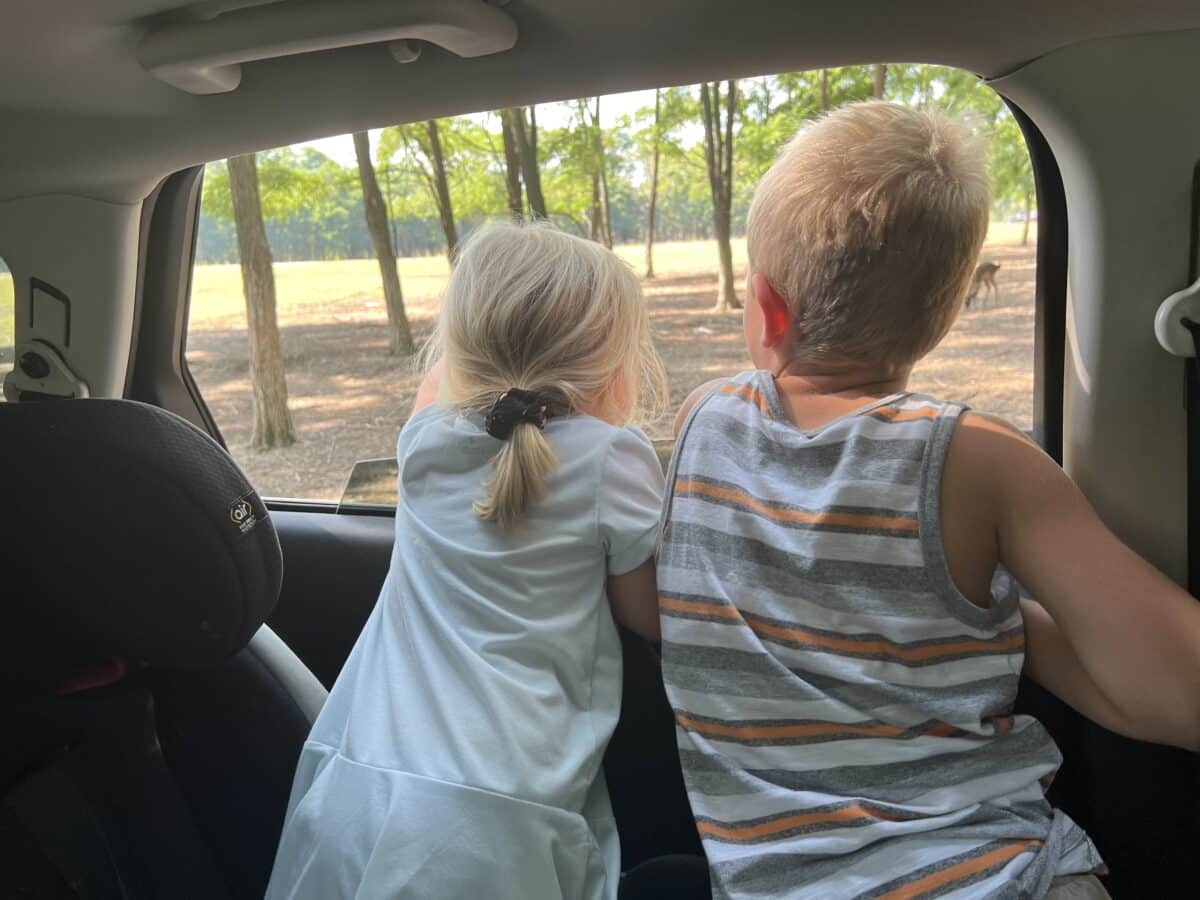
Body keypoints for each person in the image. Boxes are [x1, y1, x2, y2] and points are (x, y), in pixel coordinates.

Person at [658, 101, 1200, 899]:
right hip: (997, 877)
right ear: (944, 314)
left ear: (766, 309)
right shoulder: (982, 461)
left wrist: (984, 623)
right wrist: (985, 617)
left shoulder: (703, 422)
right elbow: (1183, 689)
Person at [267, 221, 667, 900]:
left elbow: (450, 395)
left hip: (359, 788)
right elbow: (650, 615)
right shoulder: (612, 459)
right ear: (609, 366)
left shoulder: (421, 442)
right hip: (502, 816)